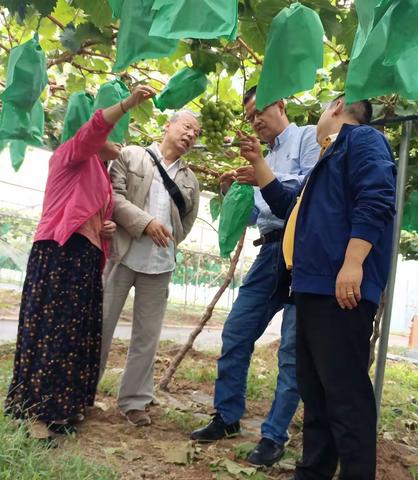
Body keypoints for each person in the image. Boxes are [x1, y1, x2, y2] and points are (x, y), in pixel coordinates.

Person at [239, 95, 396, 479]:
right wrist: (260, 164)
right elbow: (290, 205)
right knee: (317, 393)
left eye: (323, 108)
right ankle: (313, 472)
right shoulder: (326, 160)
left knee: (344, 395)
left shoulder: (362, 139)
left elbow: (377, 198)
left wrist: (353, 263)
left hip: (338, 288)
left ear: (338, 106)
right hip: (311, 287)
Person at [5, 85, 156, 442]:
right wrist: (127, 103)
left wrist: (105, 227)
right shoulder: (71, 153)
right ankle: (39, 413)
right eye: (115, 136)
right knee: (53, 333)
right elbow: (94, 129)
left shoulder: (102, 175)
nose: (121, 142)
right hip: (60, 254)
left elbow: (90, 212)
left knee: (78, 335)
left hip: (86, 256)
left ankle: (67, 404)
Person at [191, 86, 320, 467]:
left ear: (280, 104)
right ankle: (227, 416)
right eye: (249, 117)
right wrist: (234, 191)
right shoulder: (260, 157)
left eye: (258, 111)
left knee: (292, 350)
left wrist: (263, 171)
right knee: (236, 330)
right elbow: (258, 214)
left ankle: (273, 435)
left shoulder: (308, 137)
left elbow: (310, 187)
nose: (255, 121)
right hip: (269, 252)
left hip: (303, 251)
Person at [99, 110, 201, 427]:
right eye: (186, 127)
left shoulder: (189, 180)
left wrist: (167, 238)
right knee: (100, 324)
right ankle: (81, 390)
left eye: (196, 133)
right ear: (167, 126)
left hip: (160, 264)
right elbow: (111, 197)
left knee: (147, 337)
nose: (190, 135)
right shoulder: (132, 156)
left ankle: (134, 402)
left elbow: (185, 225)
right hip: (122, 253)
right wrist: (145, 224)